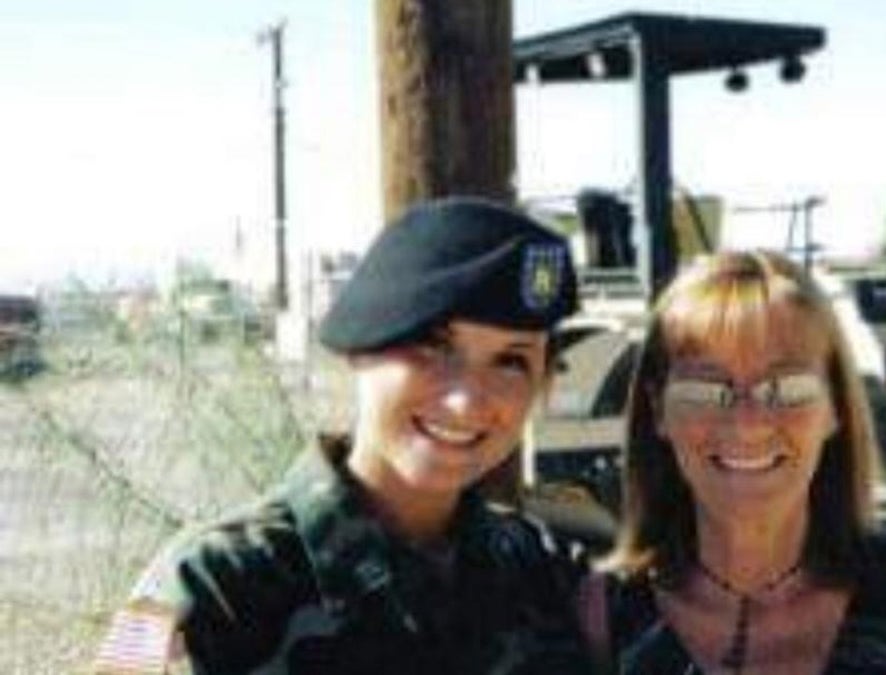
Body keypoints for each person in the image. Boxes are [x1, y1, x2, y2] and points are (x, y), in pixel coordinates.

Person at [94, 197, 591, 674]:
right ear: (359, 349)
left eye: (511, 360)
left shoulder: (541, 569)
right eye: (434, 346)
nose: (467, 400)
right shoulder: (204, 583)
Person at [579, 250, 886, 674]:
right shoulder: (606, 616)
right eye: (706, 391)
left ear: (835, 408)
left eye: (786, 389)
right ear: (657, 410)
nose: (747, 424)